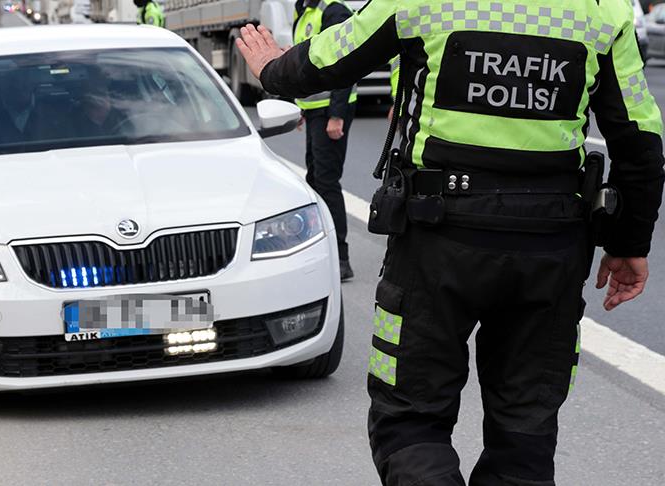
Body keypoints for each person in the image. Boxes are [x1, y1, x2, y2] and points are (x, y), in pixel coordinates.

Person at [236, 0, 664, 484]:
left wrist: (272, 70)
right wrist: (629, 243)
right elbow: (641, 139)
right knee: (525, 431)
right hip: (551, 248)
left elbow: (330, 58)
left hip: (436, 238)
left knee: (410, 421)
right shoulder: (604, 10)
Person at [292, 0, 358, 281]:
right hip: (314, 110)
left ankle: (341, 258)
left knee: (327, 183)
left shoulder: (333, 10)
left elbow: (345, 65)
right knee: (315, 180)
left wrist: (337, 115)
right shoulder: (304, 10)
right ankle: (322, 249)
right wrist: (298, 107)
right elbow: (302, 63)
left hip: (330, 110)